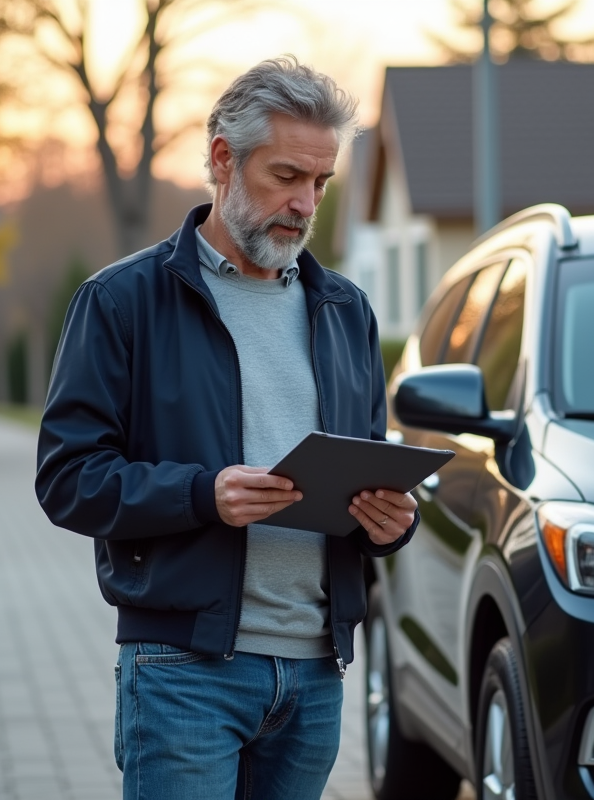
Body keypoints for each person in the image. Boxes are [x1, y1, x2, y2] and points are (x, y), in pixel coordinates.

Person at [35, 56, 419, 800]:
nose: (305, 203)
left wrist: (391, 523)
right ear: (222, 160)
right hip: (184, 672)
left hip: (317, 673)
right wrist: (203, 495)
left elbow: (369, 465)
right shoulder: (122, 301)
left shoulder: (347, 311)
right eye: (286, 176)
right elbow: (67, 480)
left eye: (321, 183)